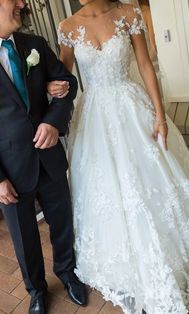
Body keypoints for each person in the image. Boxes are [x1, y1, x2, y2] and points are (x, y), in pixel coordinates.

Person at [51, 0, 189, 313]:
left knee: (154, 180)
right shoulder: (67, 27)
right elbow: (65, 78)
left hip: (131, 108)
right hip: (94, 118)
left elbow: (146, 65)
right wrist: (53, 88)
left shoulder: (127, 13)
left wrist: (160, 116)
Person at [0, 1, 87, 313]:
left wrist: (53, 120)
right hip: (9, 169)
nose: (23, 3)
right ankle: (36, 290)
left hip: (49, 158)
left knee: (62, 221)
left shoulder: (35, 45)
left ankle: (68, 273)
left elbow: (70, 83)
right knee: (24, 237)